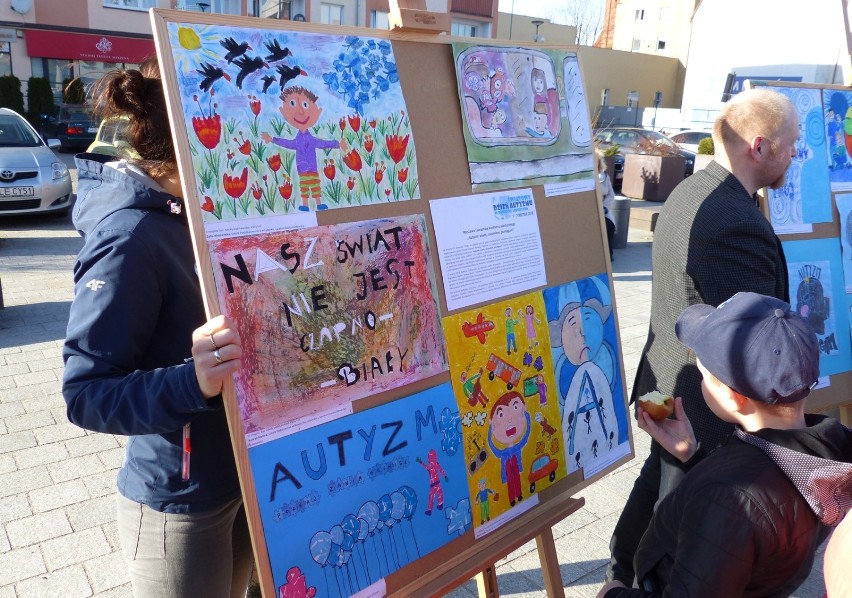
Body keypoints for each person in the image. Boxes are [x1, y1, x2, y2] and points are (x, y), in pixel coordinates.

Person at [62, 58, 253, 598]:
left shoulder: (211, 217)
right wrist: (191, 381)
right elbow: (86, 393)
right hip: (182, 498)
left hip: (250, 473)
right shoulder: (131, 238)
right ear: (192, 137)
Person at [606, 87, 799, 586]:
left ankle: (623, 567)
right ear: (761, 146)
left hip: (666, 378)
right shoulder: (734, 221)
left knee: (662, 478)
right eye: (792, 144)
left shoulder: (692, 189)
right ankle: (639, 575)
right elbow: (754, 351)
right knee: (682, 506)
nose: (795, 155)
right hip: (701, 404)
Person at [598, 292, 852, 597]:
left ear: (733, 397)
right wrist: (691, 457)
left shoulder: (728, 497)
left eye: (704, 375)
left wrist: (614, 594)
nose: (701, 382)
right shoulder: (827, 451)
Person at [260, 85, 346, 211]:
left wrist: (338, 144)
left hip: (312, 167)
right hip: (303, 168)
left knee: (315, 186)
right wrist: (272, 139)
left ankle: (318, 203)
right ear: (284, 111)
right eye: (293, 104)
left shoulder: (311, 139)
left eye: (305, 105)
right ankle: (305, 205)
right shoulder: (299, 140)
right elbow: (288, 143)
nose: (300, 112)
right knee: (305, 187)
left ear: (317, 111)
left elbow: (323, 143)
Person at [595, 149, 616, 260]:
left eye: (597, 161)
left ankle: (608, 254)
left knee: (609, 225)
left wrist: (604, 208)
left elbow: (611, 195)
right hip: (589, 211)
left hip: (603, 210)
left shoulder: (604, 176)